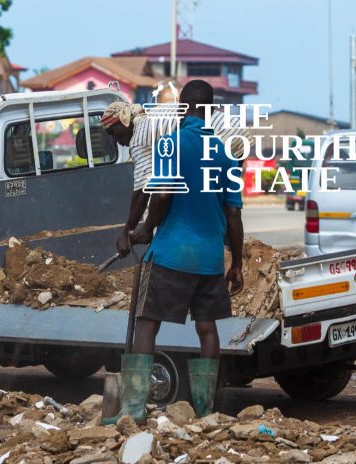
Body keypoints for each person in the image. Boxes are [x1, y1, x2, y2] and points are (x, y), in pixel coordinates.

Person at [107, 79, 245, 421]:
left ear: (182, 108)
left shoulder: (170, 144)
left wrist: (144, 229)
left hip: (171, 254)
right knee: (207, 328)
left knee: (147, 324)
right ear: (211, 111)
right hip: (210, 259)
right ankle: (205, 409)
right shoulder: (226, 155)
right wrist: (237, 264)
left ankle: (134, 411)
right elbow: (234, 215)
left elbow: (163, 193)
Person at [101, 93, 250, 257]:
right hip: (237, 131)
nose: (115, 139)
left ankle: (217, 249)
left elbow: (142, 192)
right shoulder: (148, 122)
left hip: (224, 134)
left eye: (112, 132)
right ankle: (227, 249)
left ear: (123, 121)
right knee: (217, 200)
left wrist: (127, 231)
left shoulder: (140, 137)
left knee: (201, 200)